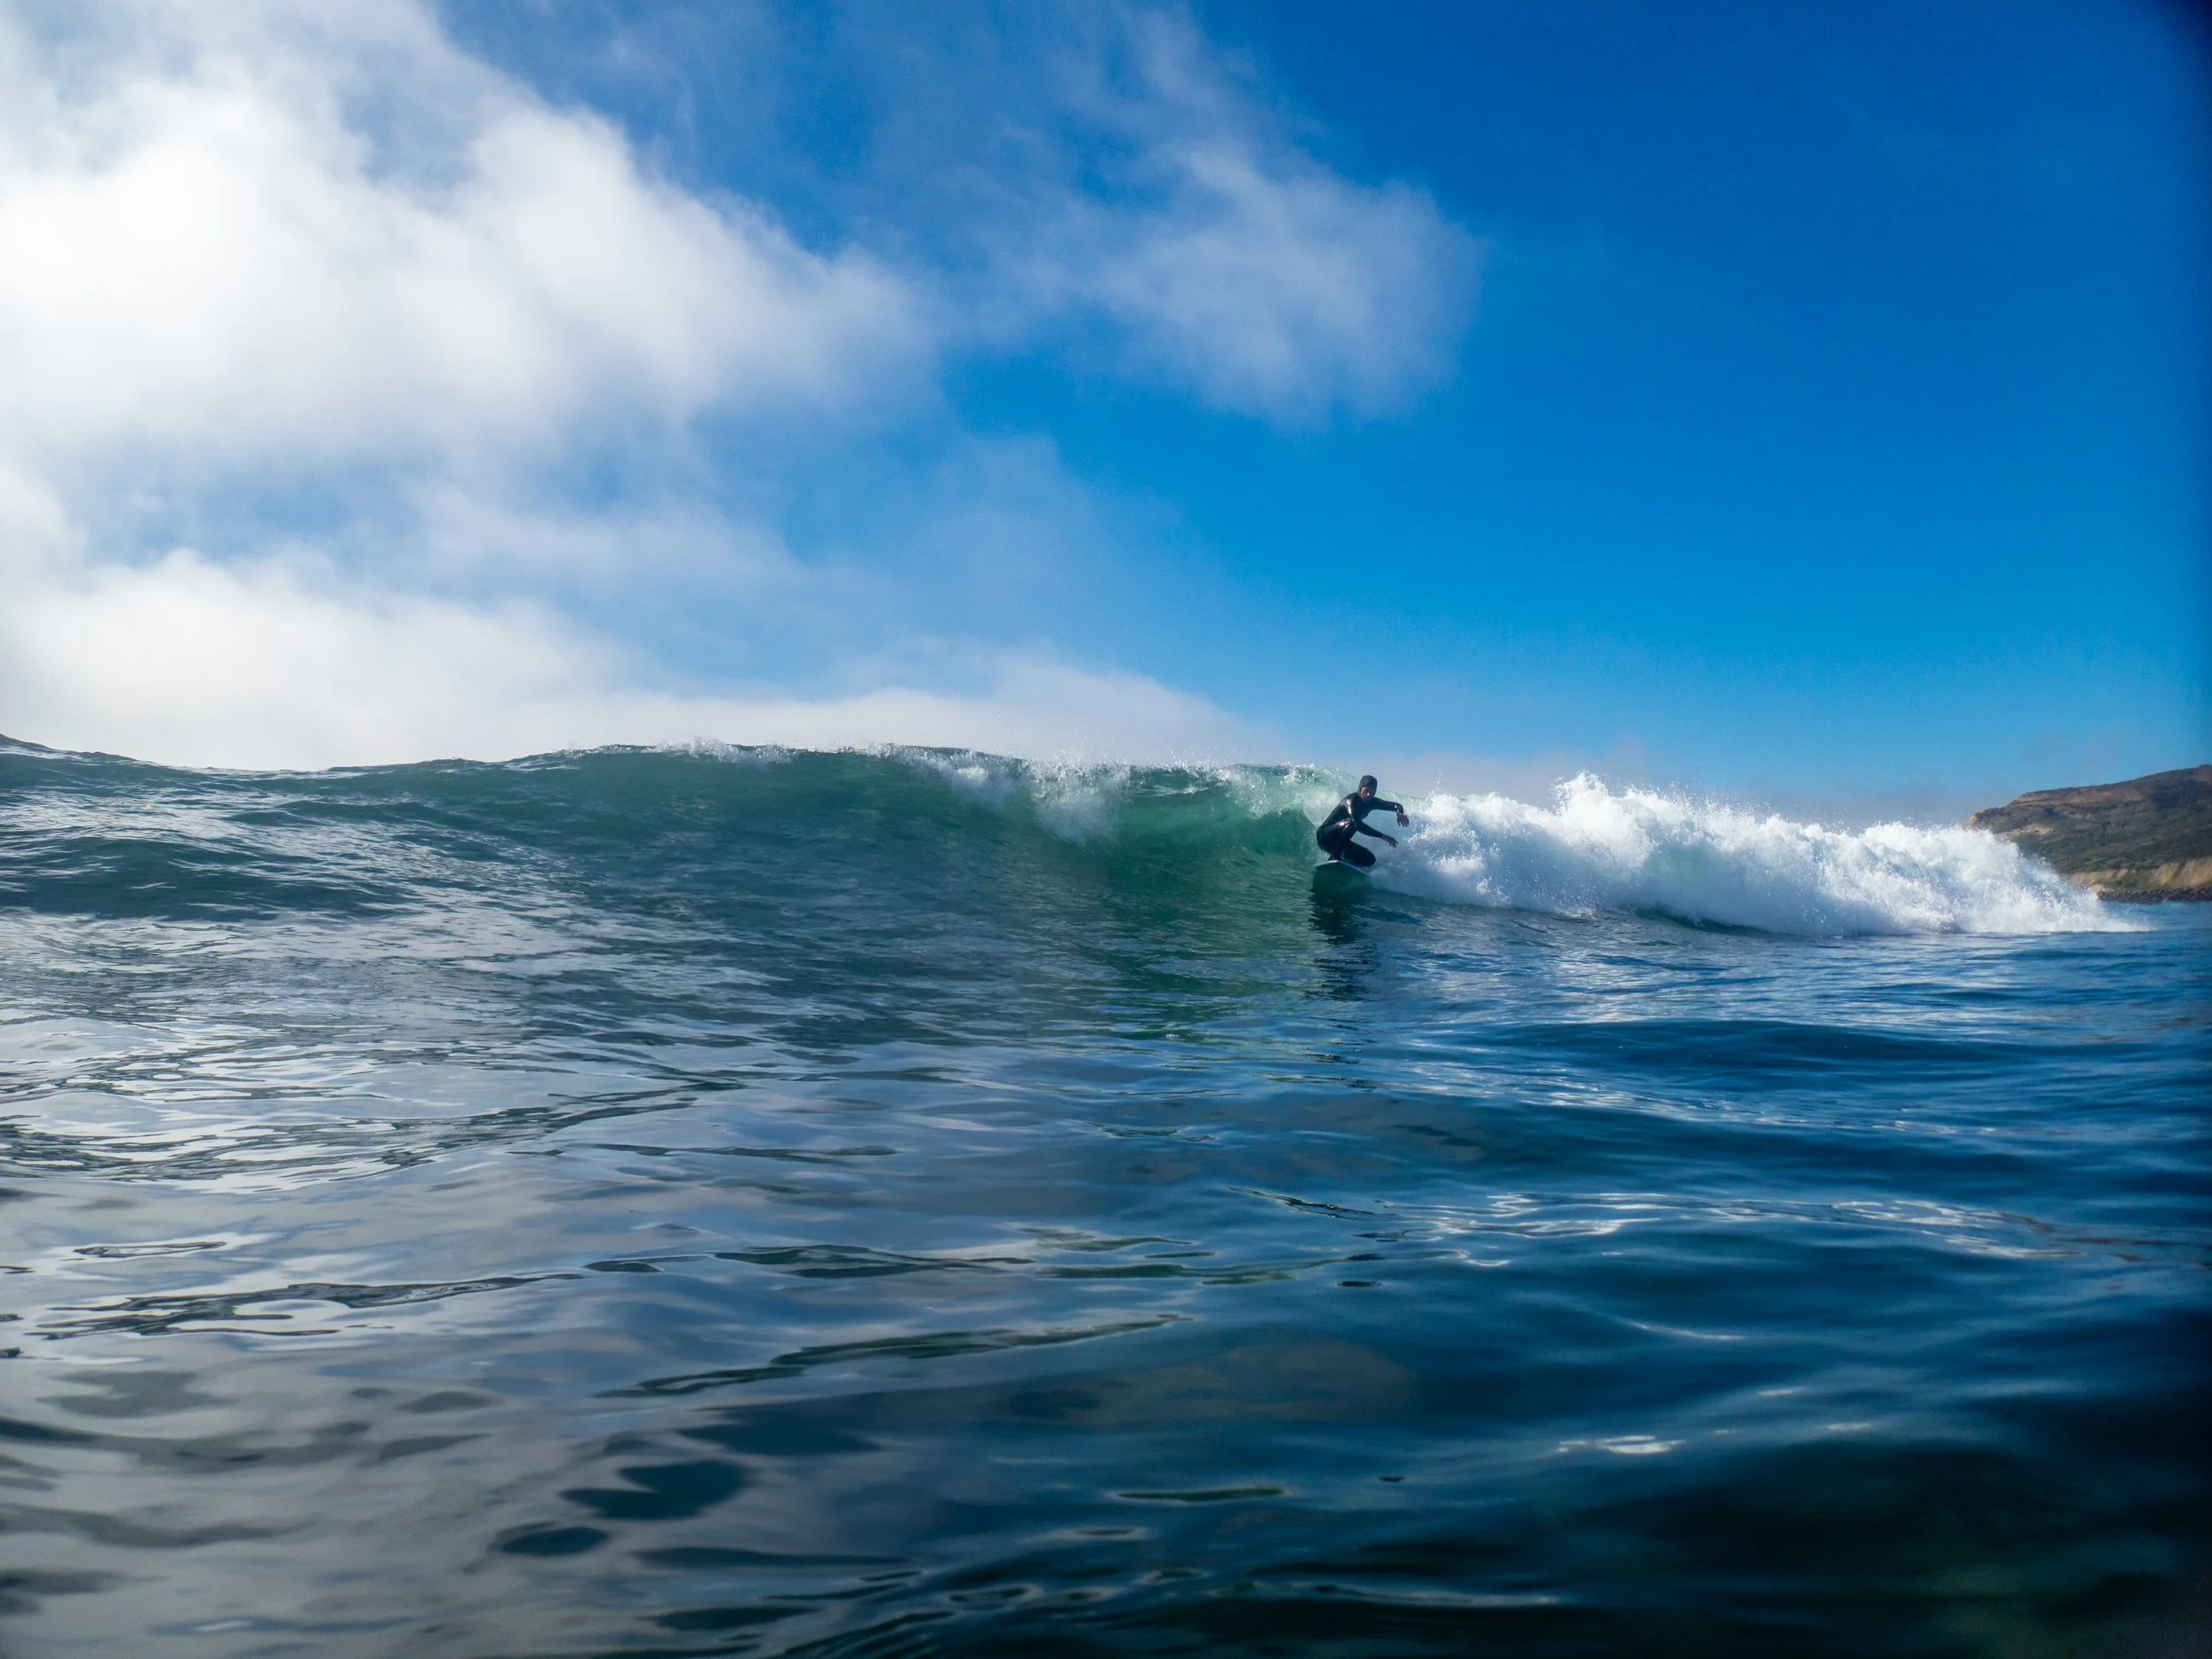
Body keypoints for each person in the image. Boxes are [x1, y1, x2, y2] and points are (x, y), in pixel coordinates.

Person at [1315, 775, 1409, 868]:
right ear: (1360, 789)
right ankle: (1334, 857)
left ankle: (1346, 864)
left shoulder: (1373, 802)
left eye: (1372, 792)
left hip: (1338, 842)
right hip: (1325, 836)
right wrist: (1382, 836)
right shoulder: (1351, 801)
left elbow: (1396, 805)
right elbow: (1357, 825)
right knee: (1351, 823)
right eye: (1366, 791)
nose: (1368, 795)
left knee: (1370, 859)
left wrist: (1399, 813)